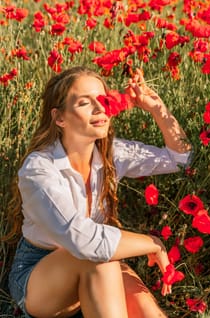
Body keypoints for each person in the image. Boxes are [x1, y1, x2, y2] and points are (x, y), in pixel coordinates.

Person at [7, 65, 192, 318]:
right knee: (100, 262)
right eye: (85, 102)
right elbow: (82, 241)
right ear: (59, 118)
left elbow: (181, 159)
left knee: (149, 311)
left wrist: (156, 107)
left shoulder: (111, 153)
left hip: (95, 260)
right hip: (39, 275)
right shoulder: (39, 169)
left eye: (102, 99)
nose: (100, 108)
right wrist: (153, 243)